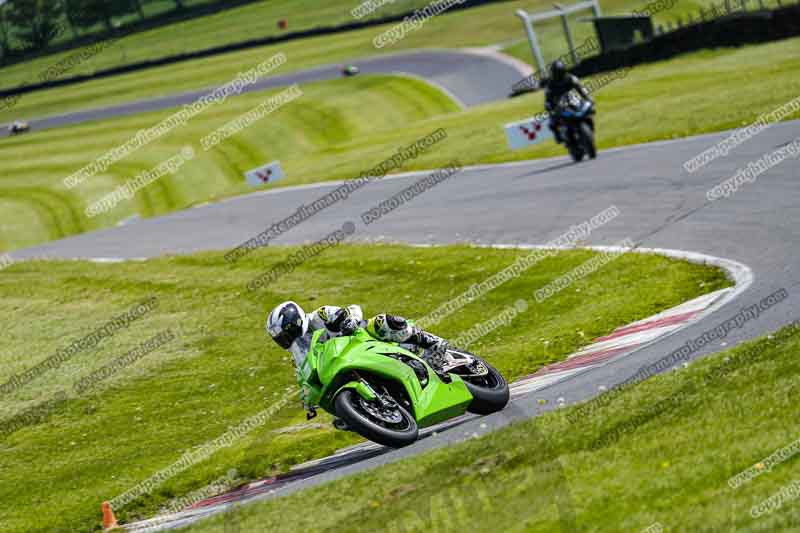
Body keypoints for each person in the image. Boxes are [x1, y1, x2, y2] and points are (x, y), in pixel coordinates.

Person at [265, 301, 449, 372]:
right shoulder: (300, 352)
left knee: (381, 323)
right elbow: (304, 377)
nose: (285, 340)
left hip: (366, 339)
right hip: (351, 362)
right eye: (280, 338)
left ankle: (434, 344)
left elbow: (354, 308)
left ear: (295, 322)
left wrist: (351, 320)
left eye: (284, 334)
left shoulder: (320, 315)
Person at [542, 60, 593, 144]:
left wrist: (588, 98)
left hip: (571, 98)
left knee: (588, 110)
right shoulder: (550, 84)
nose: (559, 75)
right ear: (553, 73)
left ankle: (588, 128)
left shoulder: (570, 78)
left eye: (560, 72)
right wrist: (549, 107)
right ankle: (558, 136)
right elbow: (548, 99)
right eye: (557, 73)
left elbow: (580, 89)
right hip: (557, 103)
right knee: (552, 122)